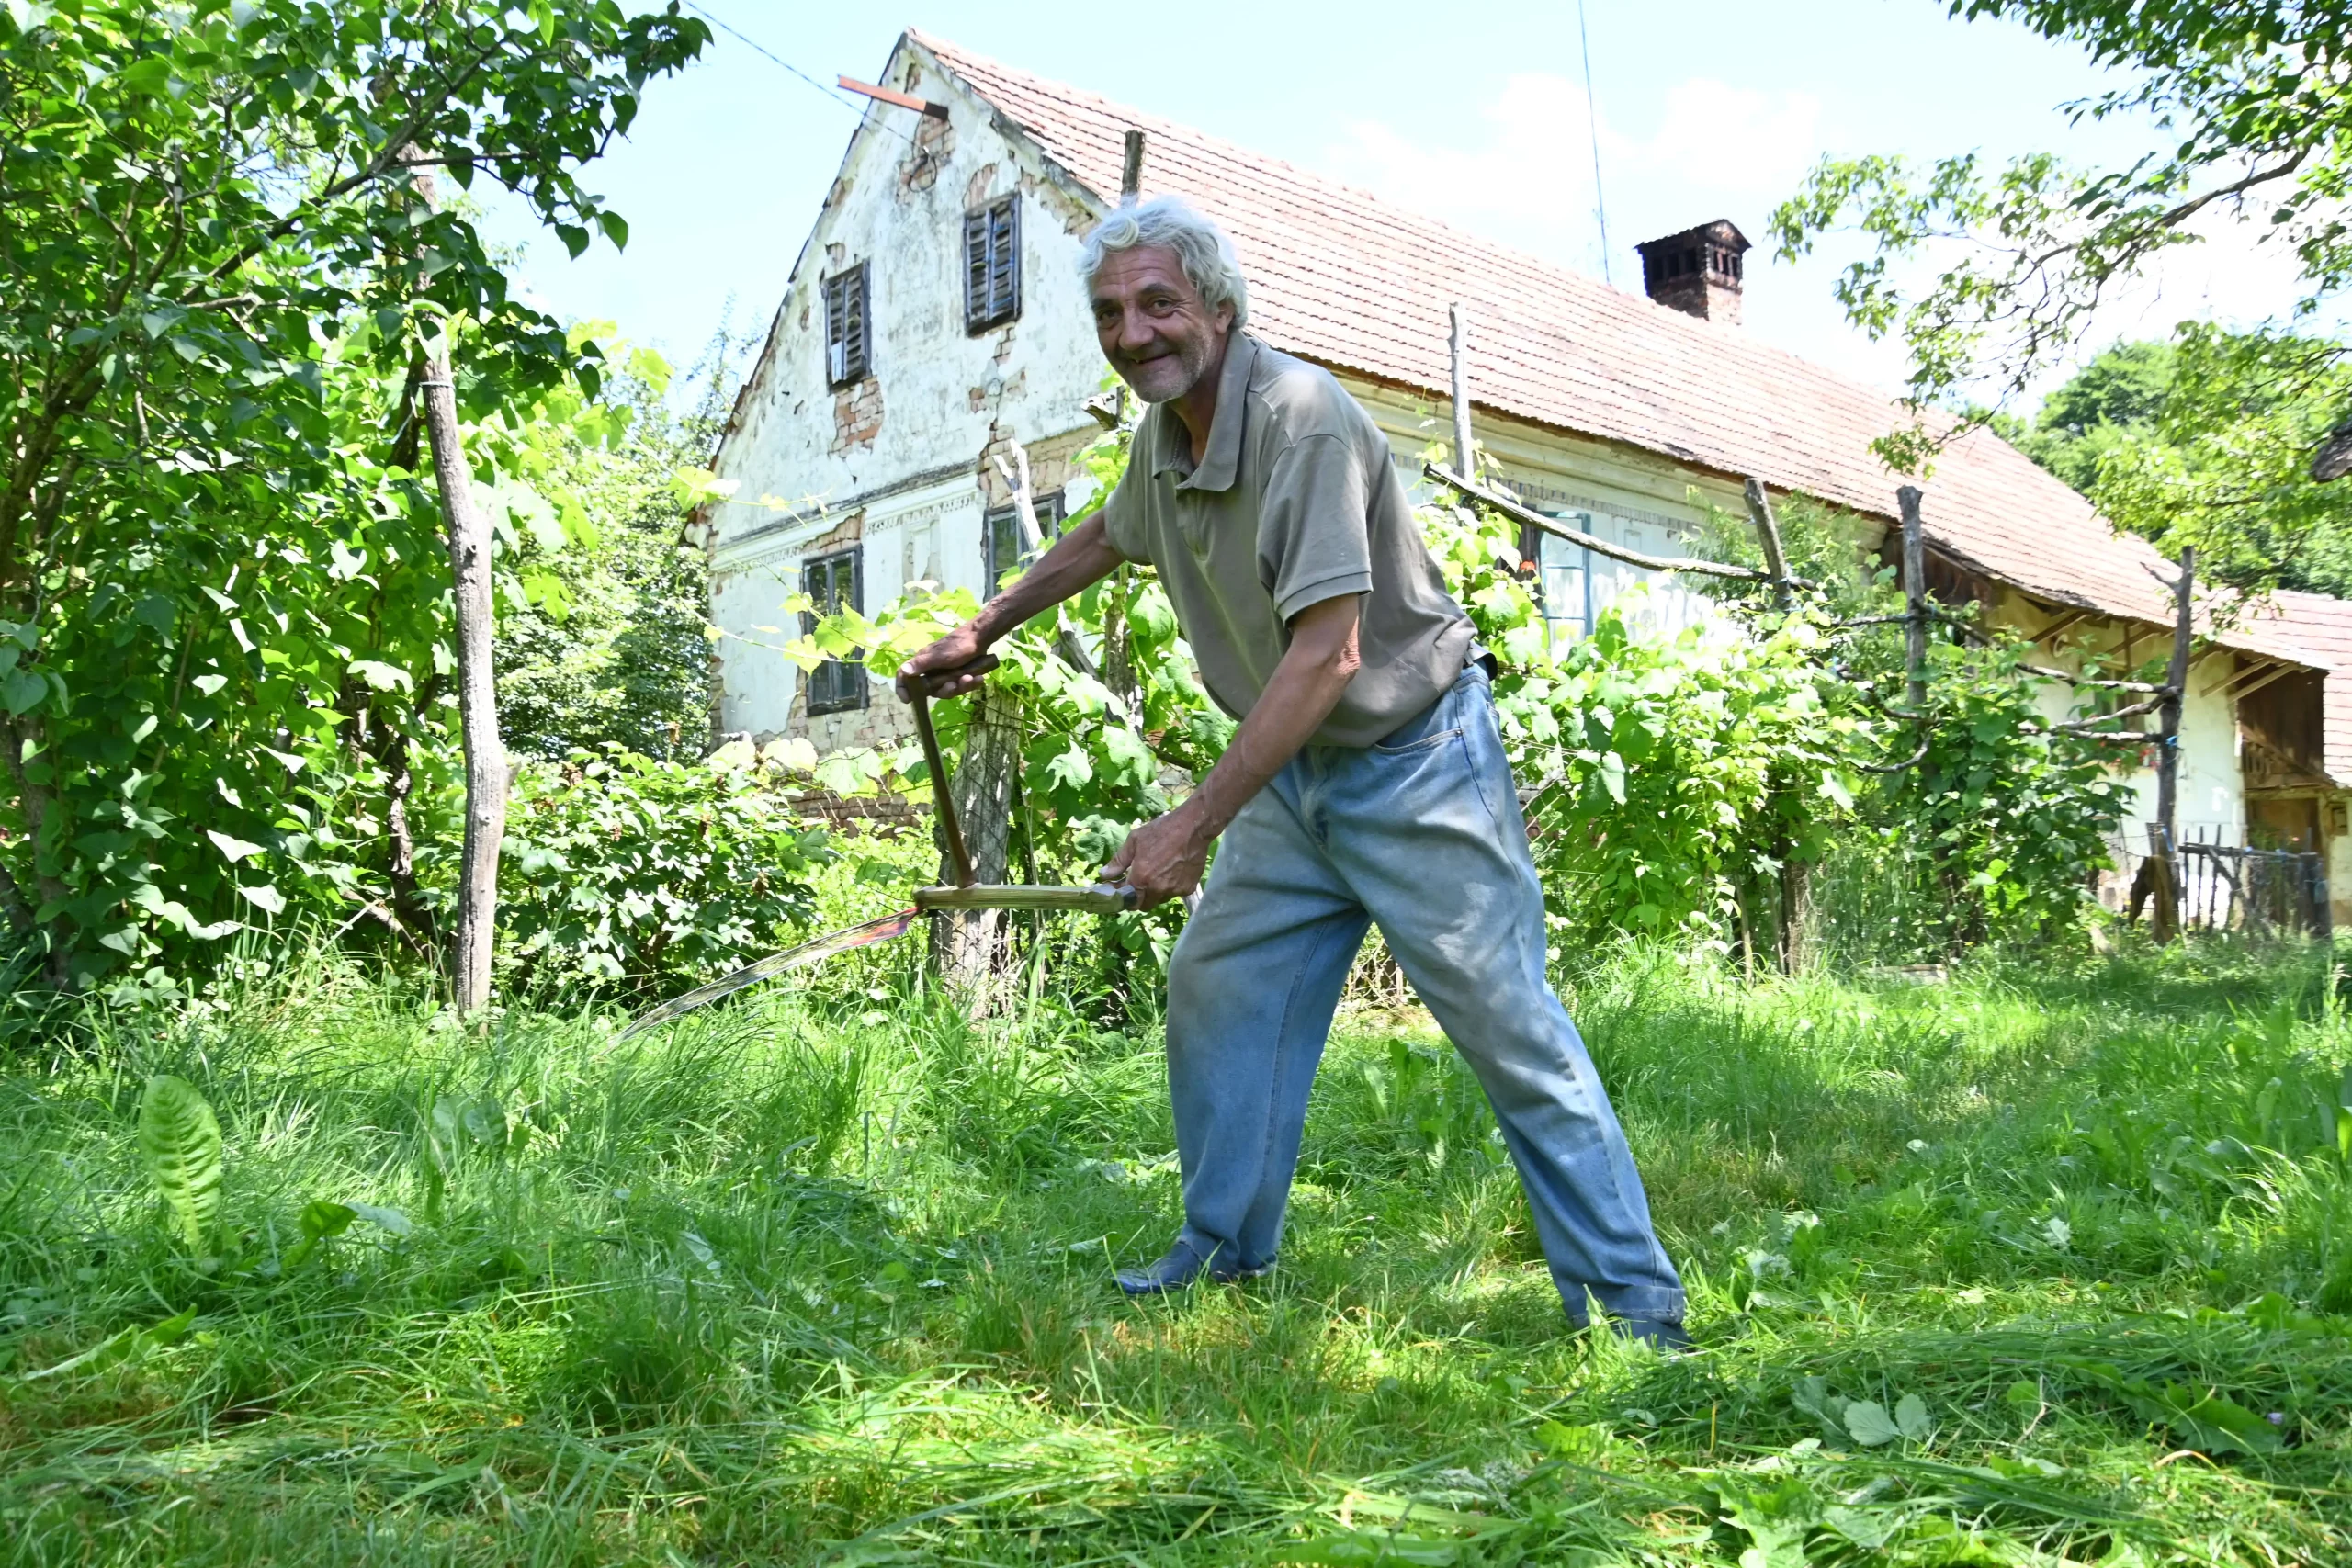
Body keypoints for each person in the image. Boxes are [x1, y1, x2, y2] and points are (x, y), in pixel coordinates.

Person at [896, 196, 1687, 1346]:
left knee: (1508, 1026)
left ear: (1218, 308)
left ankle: (1632, 1308)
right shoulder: (1166, 439)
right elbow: (1110, 533)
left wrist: (1191, 825)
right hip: (1292, 772)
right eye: (1111, 312)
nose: (1133, 333)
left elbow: (1330, 655)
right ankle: (1223, 1251)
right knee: (1220, 986)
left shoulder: (1300, 420)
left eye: (1158, 304)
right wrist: (986, 626)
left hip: (1414, 762)